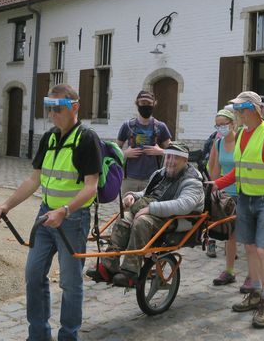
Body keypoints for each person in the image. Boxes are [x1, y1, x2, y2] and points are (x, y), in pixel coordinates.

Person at [0, 84, 102, 341]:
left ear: (74, 107)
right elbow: (34, 180)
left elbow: (91, 187)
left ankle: (68, 336)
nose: (52, 113)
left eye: (58, 108)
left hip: (72, 220)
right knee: (33, 274)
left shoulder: (87, 139)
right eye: (49, 108)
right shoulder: (49, 138)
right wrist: (6, 205)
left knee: (70, 283)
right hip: (45, 216)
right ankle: (38, 335)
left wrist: (65, 210)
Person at [214, 91, 264, 329]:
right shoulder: (242, 136)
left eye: (239, 109)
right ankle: (255, 293)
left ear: (252, 110)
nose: (236, 114)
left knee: (262, 250)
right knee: (248, 247)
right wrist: (216, 184)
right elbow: (238, 171)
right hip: (246, 198)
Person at [93, 142, 204, 287]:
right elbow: (147, 193)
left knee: (142, 221)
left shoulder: (192, 181)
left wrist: (151, 209)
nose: (170, 161)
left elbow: (184, 205)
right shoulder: (160, 173)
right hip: (155, 213)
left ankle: (130, 273)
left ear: (185, 160)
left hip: (176, 219)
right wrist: (133, 196)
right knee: (123, 219)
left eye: (175, 158)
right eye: (168, 156)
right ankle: (108, 267)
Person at [207, 108, 239, 285]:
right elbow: (216, 168)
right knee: (231, 234)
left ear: (233, 124)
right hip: (226, 195)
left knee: (247, 236)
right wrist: (213, 188)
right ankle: (229, 270)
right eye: (217, 125)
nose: (220, 128)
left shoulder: (241, 141)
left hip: (243, 192)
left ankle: (253, 275)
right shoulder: (218, 143)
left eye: (223, 125)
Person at [117, 90, 171, 192]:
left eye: (149, 103)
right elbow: (114, 150)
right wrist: (124, 153)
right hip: (129, 179)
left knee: (149, 207)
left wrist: (161, 151)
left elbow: (173, 151)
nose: (146, 106)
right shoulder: (127, 126)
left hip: (152, 179)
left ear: (154, 104)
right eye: (143, 103)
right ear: (137, 103)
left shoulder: (161, 126)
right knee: (128, 207)